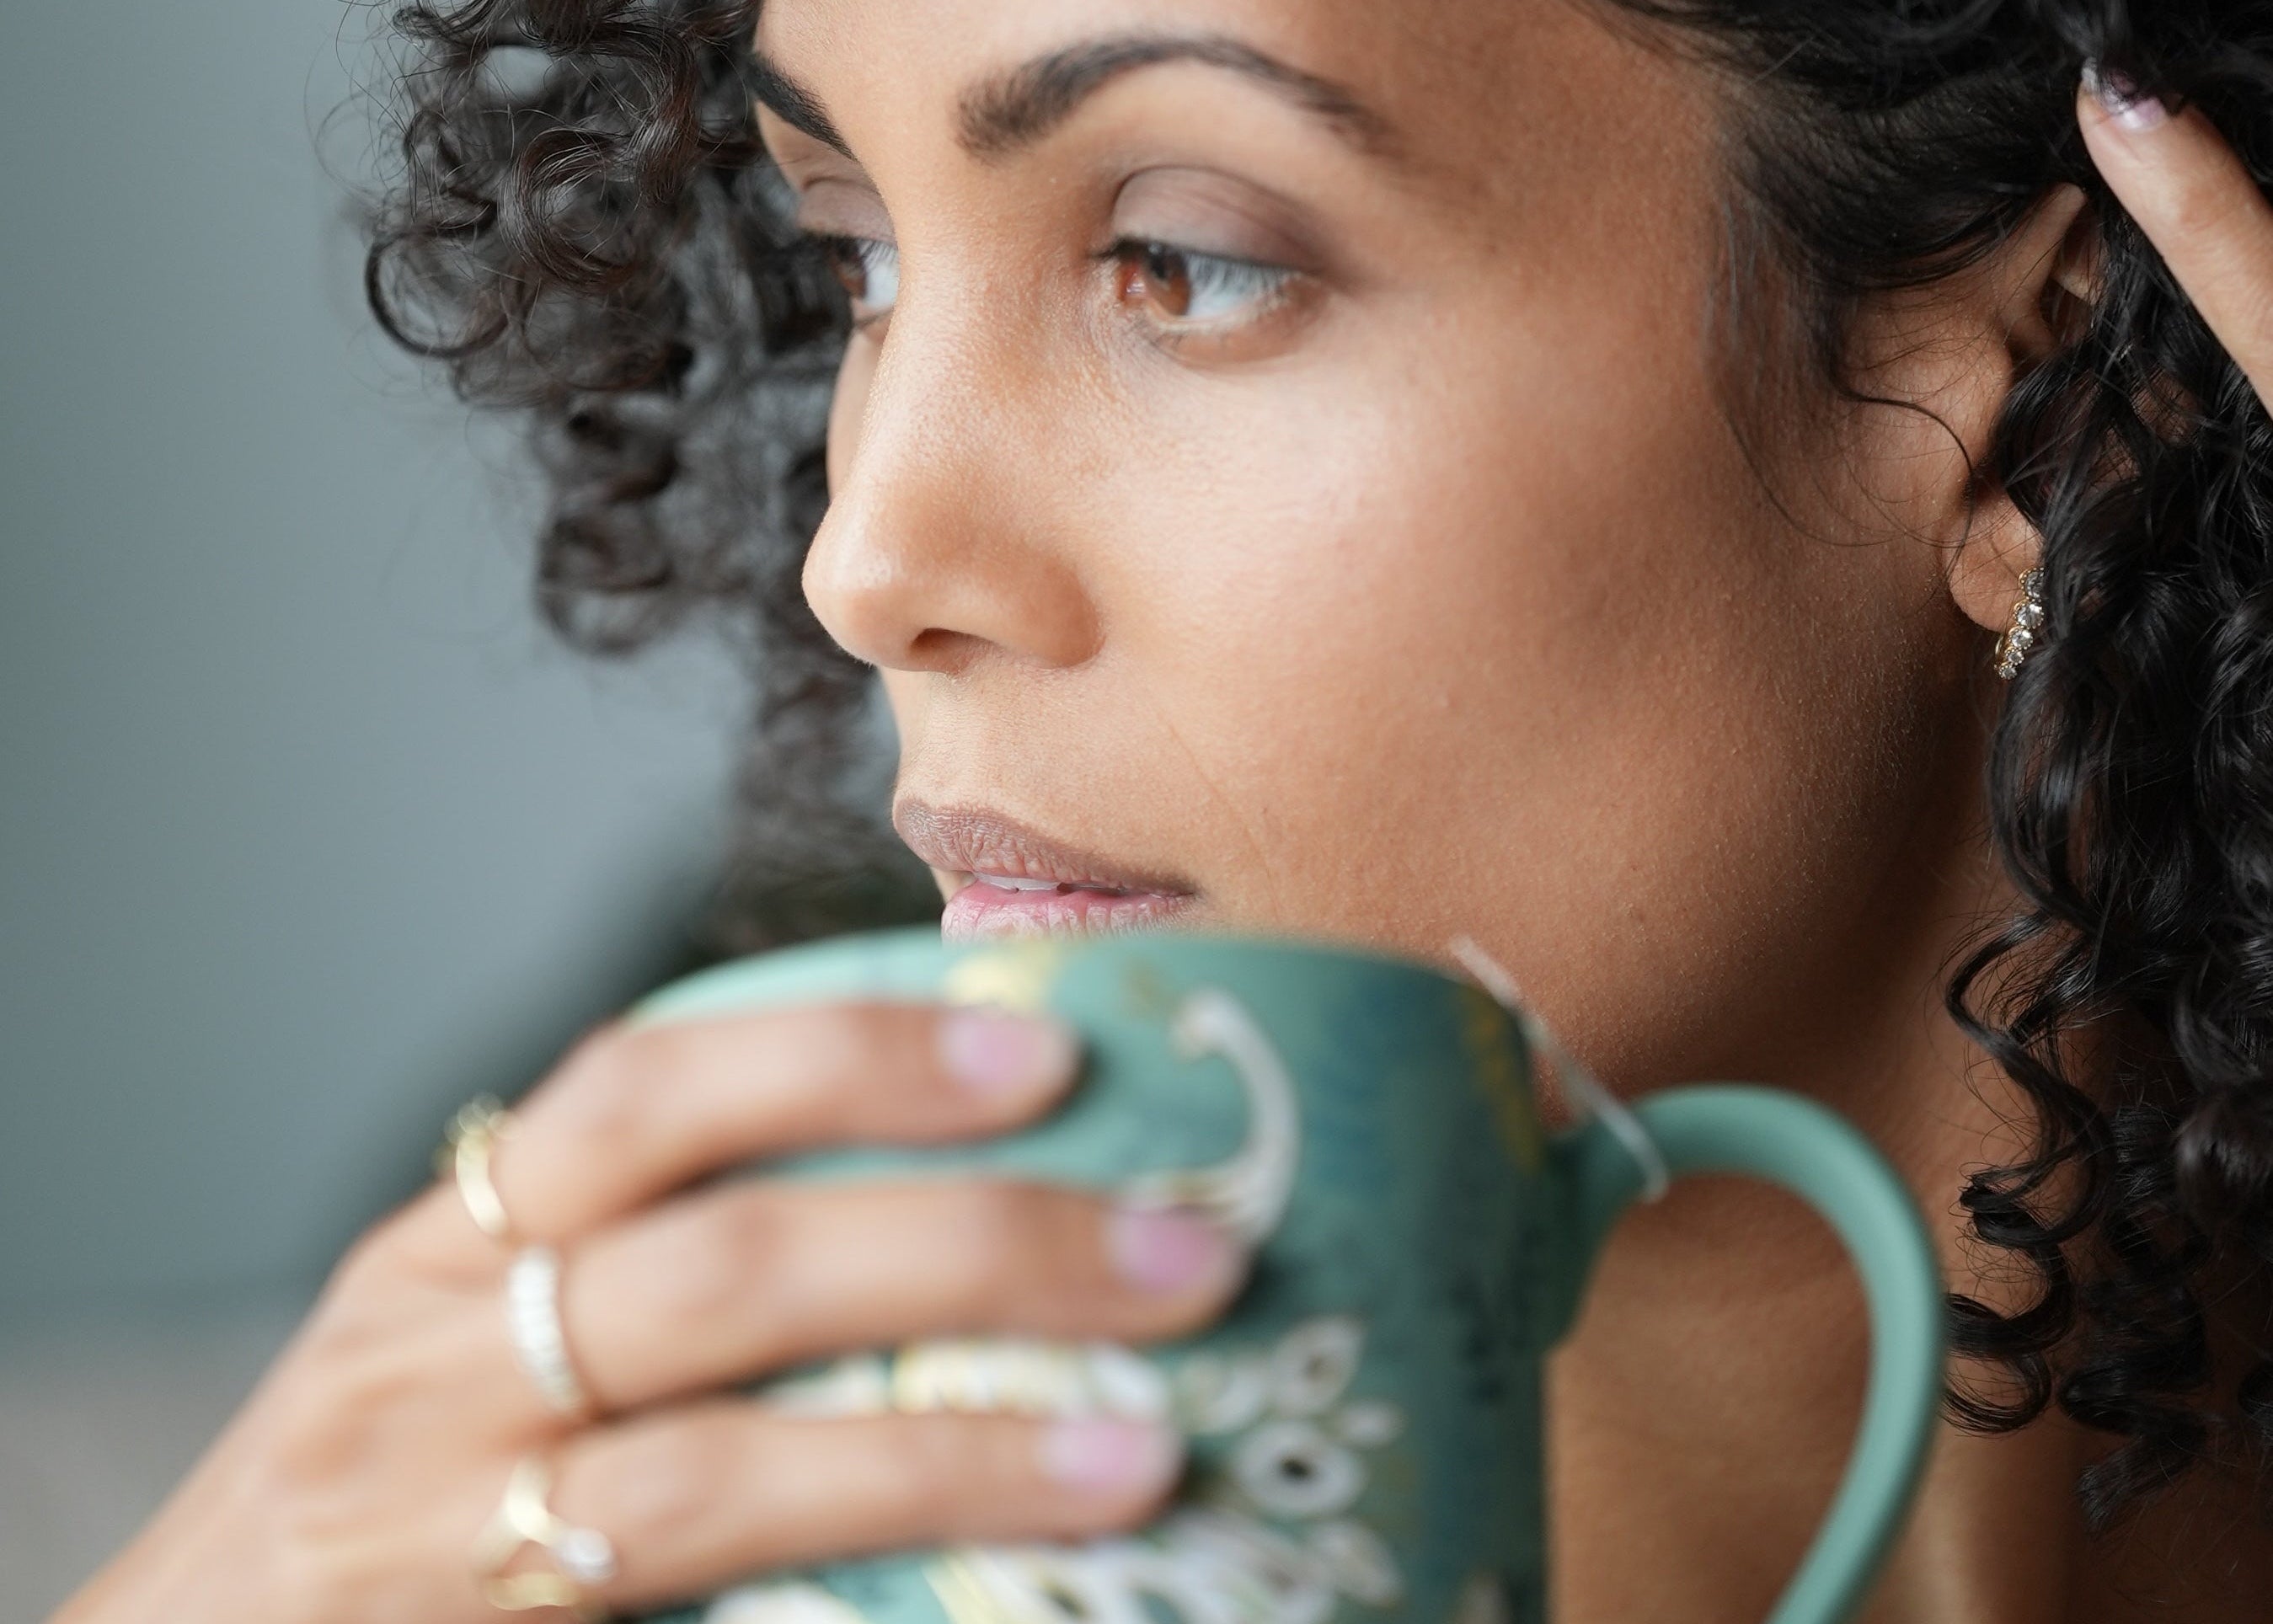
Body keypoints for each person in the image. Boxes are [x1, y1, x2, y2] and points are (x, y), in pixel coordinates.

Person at [53, 3, 2273, 1621]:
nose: (873, 554)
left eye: (1188, 259)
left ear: (2041, 399)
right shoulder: (655, 1455)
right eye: (862, 267)